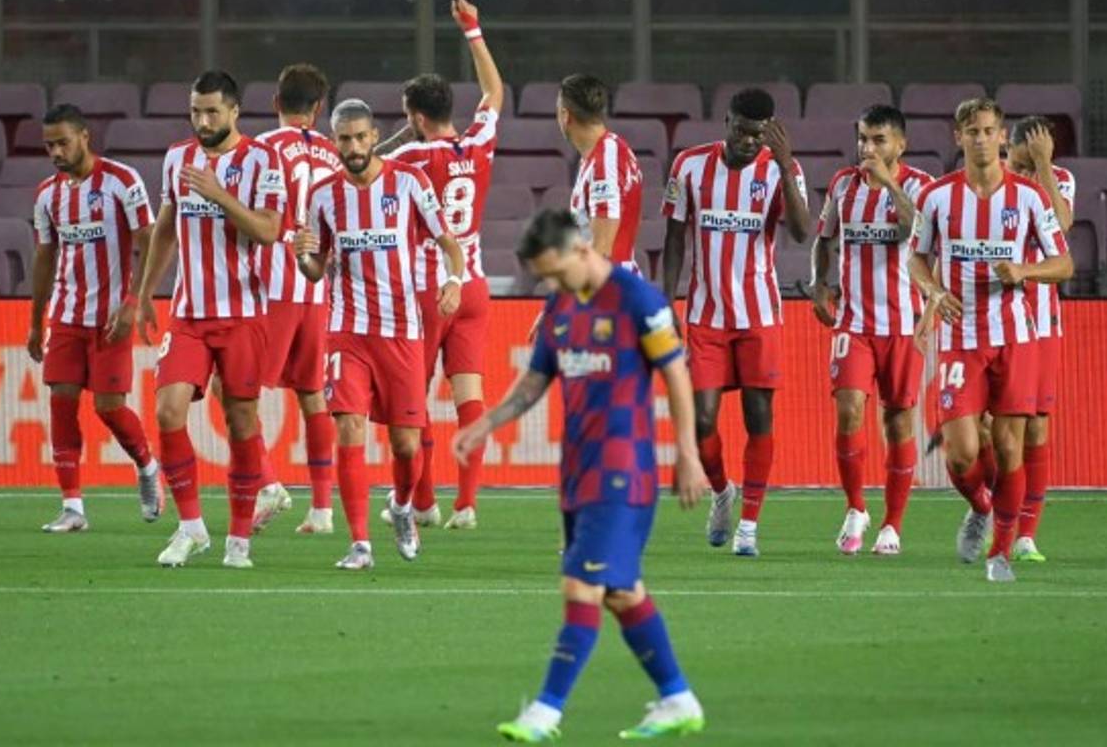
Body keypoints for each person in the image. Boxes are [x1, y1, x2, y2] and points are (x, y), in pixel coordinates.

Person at [452, 209, 706, 742]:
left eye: (556, 270)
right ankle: (679, 698)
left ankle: (545, 713)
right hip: (576, 471)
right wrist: (485, 425)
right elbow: (534, 382)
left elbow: (677, 375)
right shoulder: (561, 306)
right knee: (622, 594)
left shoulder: (638, 300)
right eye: (544, 275)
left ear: (583, 249)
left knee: (582, 585)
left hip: (623, 469)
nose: (552, 282)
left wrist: (687, 452)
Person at [293, 99, 464, 570]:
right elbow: (314, 271)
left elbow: (450, 244)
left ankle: (403, 507)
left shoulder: (410, 183)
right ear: (335, 142)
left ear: (373, 136)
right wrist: (302, 255)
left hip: (402, 331)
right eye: (343, 139)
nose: (352, 146)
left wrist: (454, 281)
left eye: (360, 137)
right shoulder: (323, 196)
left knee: (407, 445)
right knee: (347, 427)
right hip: (347, 332)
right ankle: (360, 543)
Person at [908, 97, 1073, 583]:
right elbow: (917, 258)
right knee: (960, 450)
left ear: (1003, 137)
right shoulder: (936, 197)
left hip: (1016, 338)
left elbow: (1064, 264)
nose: (980, 139)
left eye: (988, 131)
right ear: (957, 138)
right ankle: (982, 507)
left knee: (1008, 447)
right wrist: (934, 292)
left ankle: (1001, 552)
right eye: (971, 131)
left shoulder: (1029, 196)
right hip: (961, 337)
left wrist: (1024, 269)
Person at [138, 70, 287, 568]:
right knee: (167, 412)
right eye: (196, 111)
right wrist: (142, 295)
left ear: (235, 111)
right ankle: (191, 527)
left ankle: (239, 539)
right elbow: (165, 230)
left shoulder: (263, 160)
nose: (202, 121)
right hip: (188, 313)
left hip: (244, 314)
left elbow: (268, 231)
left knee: (241, 420)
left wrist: (218, 193)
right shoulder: (177, 157)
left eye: (212, 112)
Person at [660, 87, 810, 557]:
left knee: (758, 416)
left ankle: (749, 524)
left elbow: (803, 232)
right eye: (742, 132)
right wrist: (667, 304)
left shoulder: (781, 169)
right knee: (701, 420)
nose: (749, 142)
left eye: (758, 134)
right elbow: (674, 240)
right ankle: (723, 492)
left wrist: (786, 167)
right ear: (727, 122)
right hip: (706, 315)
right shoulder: (689, 166)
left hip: (759, 315)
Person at [375, 0, 500, 532]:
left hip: (426, 290)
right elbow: (495, 92)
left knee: (412, 397)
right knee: (469, 392)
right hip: (473, 284)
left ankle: (421, 502)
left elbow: (357, 164)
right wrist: (472, 28)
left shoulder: (406, 156)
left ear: (413, 115)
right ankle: (467, 505)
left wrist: (401, 133)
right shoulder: (478, 144)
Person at [28, 103, 162, 532]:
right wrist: (36, 321)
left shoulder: (122, 181)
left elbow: (148, 239)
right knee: (61, 402)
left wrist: (133, 301)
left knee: (108, 407)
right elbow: (45, 257)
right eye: (49, 144)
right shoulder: (48, 194)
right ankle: (73, 507)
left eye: (62, 142)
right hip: (67, 315)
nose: (55, 151)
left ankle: (147, 466)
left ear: (85, 136)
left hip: (110, 316)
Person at [810, 105, 932, 555]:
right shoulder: (843, 185)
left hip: (903, 324)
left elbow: (916, 231)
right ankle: (856, 507)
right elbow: (824, 239)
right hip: (854, 322)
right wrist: (821, 284)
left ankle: (892, 525)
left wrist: (889, 184)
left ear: (901, 143)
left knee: (898, 421)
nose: (868, 148)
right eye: (863, 138)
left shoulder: (919, 186)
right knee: (848, 411)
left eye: (879, 140)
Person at [248, 63, 344, 535]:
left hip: (273, 287)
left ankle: (267, 481)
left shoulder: (261, 149)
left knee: (235, 390)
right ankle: (323, 510)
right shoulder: (334, 151)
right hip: (318, 288)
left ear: (275, 103)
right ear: (320, 108)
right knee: (313, 396)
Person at [1003, 116, 1075, 562]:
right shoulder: (992, 185)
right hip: (991, 318)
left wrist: (1045, 167)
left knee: (1035, 424)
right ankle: (993, 505)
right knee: (988, 427)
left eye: (1035, 161)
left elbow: (1062, 229)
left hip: (1042, 322)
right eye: (1022, 162)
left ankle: (1026, 532)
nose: (1026, 171)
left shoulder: (1060, 179)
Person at [558, 73, 643, 272]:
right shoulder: (602, 154)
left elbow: (602, 249)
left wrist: (580, 300)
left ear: (565, 115)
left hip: (611, 290)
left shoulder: (606, 161)